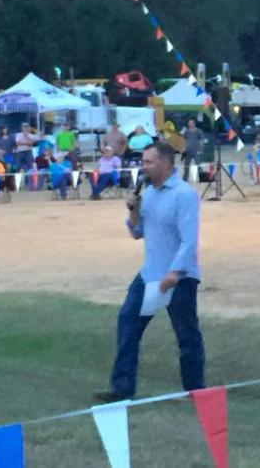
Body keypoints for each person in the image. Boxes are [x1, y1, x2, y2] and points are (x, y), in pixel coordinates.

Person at [95, 141, 204, 403]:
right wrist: (133, 210)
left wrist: (175, 273)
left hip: (180, 277)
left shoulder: (184, 194)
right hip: (149, 275)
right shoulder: (149, 194)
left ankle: (195, 390)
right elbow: (136, 232)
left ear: (166, 164)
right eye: (143, 161)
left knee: (186, 335)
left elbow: (189, 240)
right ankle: (122, 389)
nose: (143, 166)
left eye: (148, 162)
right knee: (128, 324)